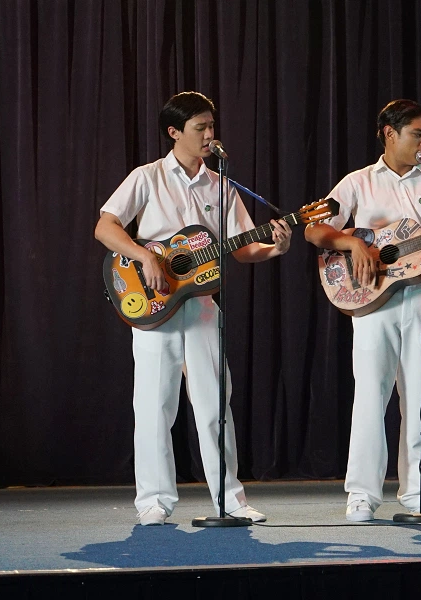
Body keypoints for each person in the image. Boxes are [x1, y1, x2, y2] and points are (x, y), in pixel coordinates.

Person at [95, 91, 293, 526]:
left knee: (214, 404)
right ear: (174, 132)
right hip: (153, 305)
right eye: (200, 127)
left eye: (211, 126)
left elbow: (242, 248)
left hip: (202, 305)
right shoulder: (146, 177)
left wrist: (273, 247)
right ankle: (154, 501)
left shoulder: (222, 185)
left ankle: (231, 500)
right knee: (154, 405)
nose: (209, 134)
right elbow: (105, 226)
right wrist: (144, 255)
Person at [304, 99, 421, 522]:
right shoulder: (357, 182)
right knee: (371, 395)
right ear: (390, 134)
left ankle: (419, 492)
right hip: (372, 301)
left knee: (419, 396)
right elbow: (314, 228)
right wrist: (354, 243)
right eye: (418, 134)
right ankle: (362, 494)